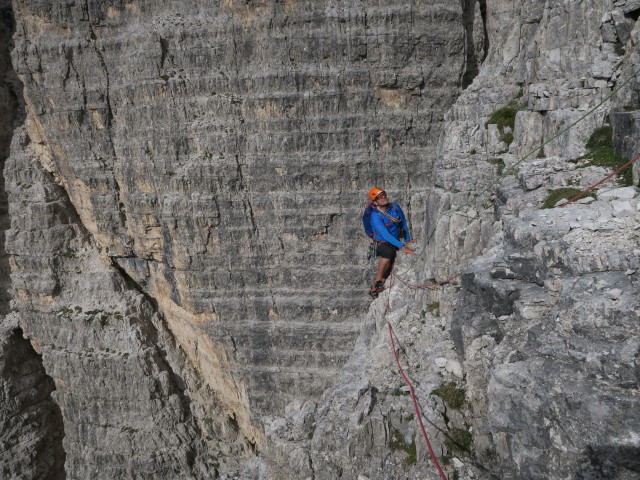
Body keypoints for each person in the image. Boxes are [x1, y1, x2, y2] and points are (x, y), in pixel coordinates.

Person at [367, 187, 415, 298]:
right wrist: (402, 246)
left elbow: (403, 223)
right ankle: (378, 280)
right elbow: (385, 234)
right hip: (381, 242)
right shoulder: (375, 215)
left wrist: (407, 240)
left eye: (384, 194)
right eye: (380, 197)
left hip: (394, 241)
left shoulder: (395, 207)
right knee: (388, 252)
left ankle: (376, 288)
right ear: (375, 202)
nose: (383, 197)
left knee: (388, 271)